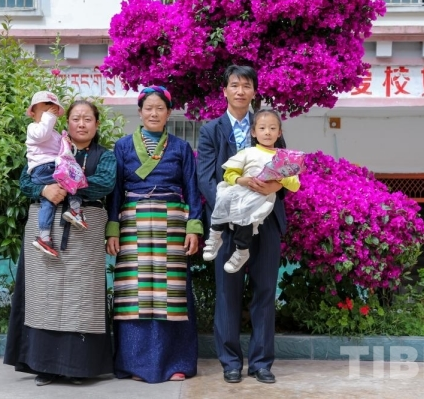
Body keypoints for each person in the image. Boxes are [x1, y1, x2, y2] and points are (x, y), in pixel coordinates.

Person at [4, 98, 116, 386]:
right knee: (45, 297)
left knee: (82, 300)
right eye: (76, 118)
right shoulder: (48, 147)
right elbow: (25, 182)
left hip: (84, 234)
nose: (81, 124)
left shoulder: (105, 156)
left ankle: (79, 367)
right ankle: (44, 365)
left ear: (97, 124)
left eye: (88, 119)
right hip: (46, 230)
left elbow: (106, 183)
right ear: (67, 122)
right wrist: (44, 190)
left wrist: (67, 184)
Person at [106, 85, 202, 384]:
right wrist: (112, 229)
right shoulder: (123, 147)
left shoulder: (181, 148)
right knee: (134, 295)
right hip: (132, 223)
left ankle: (176, 362)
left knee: (171, 294)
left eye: (160, 108)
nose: (154, 113)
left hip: (171, 224)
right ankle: (135, 364)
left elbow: (192, 188)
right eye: (149, 108)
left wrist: (194, 227)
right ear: (139, 112)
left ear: (169, 113)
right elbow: (115, 191)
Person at [197, 65, 286, 385]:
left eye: (246, 85)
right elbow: (205, 178)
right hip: (228, 224)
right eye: (234, 85)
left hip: (266, 220)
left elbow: (285, 168)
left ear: (254, 92)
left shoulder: (267, 124)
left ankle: (261, 362)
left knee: (265, 291)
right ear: (224, 91)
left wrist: (274, 186)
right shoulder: (211, 130)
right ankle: (230, 361)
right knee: (227, 292)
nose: (240, 91)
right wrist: (231, 209)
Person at [203, 109, 300, 274]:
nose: (267, 132)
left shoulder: (284, 158)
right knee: (223, 196)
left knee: (246, 215)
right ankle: (215, 235)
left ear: (279, 133)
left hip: (260, 198)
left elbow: (295, 184)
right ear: (253, 132)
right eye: (262, 128)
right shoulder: (247, 152)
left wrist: (280, 179)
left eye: (272, 128)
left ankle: (242, 251)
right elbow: (229, 174)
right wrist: (242, 180)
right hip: (241, 191)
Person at [25, 91, 88, 258]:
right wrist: (49, 117)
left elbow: (62, 153)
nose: (50, 111)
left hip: (49, 168)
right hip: (44, 168)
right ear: (33, 113)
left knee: (48, 202)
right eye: (46, 108)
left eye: (53, 109)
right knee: (73, 179)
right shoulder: (34, 128)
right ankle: (75, 209)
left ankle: (44, 236)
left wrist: (66, 143)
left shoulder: (53, 133)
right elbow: (42, 134)